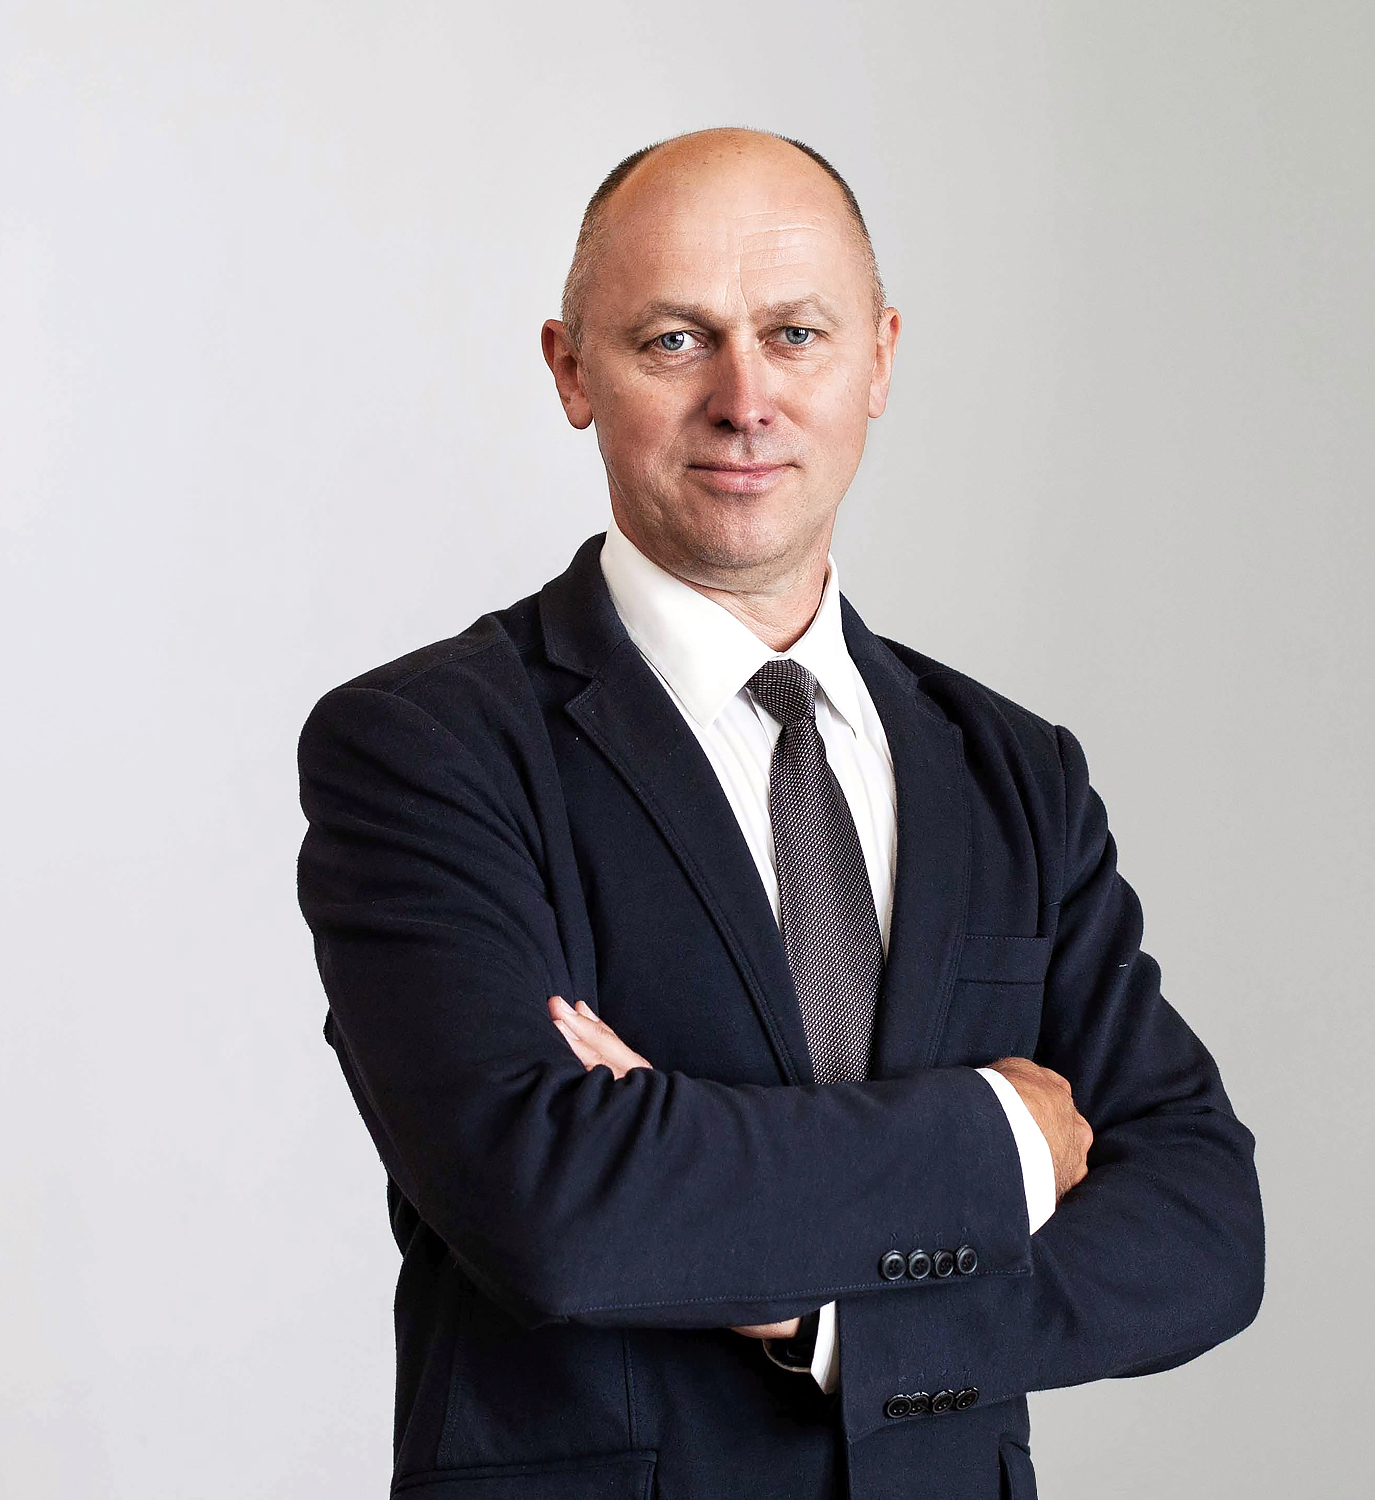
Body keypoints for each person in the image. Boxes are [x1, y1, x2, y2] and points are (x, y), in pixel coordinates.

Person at [296, 127, 1264, 1500]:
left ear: (878, 359)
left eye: (797, 334)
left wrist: (841, 1321)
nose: (746, 400)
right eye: (675, 341)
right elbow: (553, 1209)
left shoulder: (1012, 768)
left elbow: (1203, 1227)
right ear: (573, 372)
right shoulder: (427, 749)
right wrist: (1001, 1135)